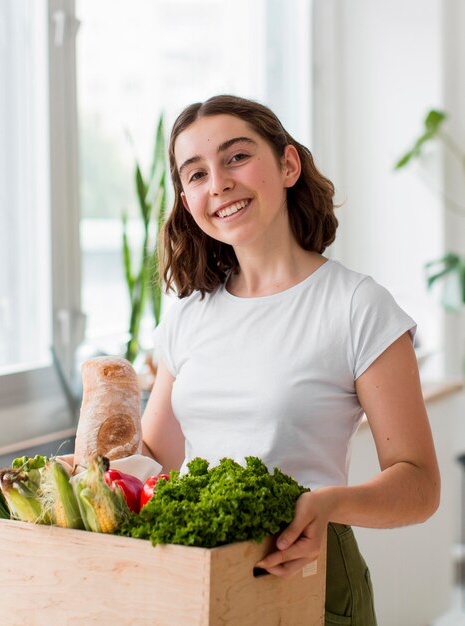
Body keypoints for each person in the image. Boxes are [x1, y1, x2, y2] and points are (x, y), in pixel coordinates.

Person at [140, 94, 440, 625]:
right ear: (188, 202)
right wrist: (89, 466)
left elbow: (418, 484)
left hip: (308, 572)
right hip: (200, 576)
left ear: (287, 165)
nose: (219, 183)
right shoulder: (188, 314)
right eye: (196, 174)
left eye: (236, 157)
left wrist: (328, 504)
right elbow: (154, 459)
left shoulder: (356, 305)